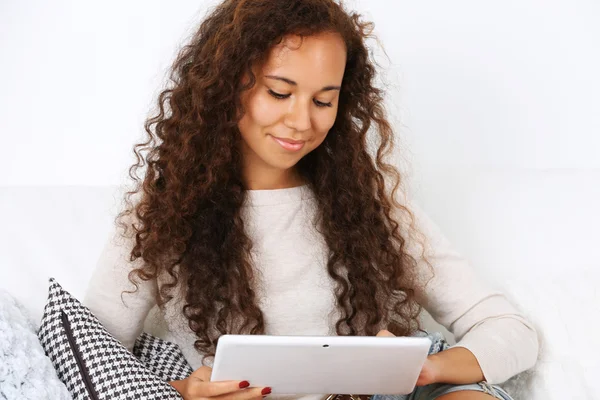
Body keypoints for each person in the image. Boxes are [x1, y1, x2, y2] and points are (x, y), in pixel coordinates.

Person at [84, 1, 539, 399]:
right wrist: (183, 392)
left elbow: (510, 329)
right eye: (279, 92)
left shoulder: (369, 199)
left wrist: (425, 369)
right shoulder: (162, 212)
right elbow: (93, 352)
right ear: (224, 85)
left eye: (324, 101)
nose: (301, 121)